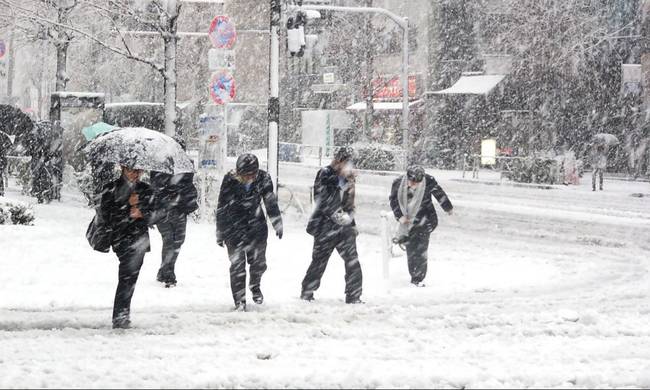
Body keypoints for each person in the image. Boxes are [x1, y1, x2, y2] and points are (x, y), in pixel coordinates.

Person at [216, 153, 283, 311]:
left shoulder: (263, 178)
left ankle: (255, 284)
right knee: (237, 266)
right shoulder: (230, 179)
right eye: (243, 175)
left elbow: (270, 202)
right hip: (234, 228)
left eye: (250, 175)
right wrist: (220, 231)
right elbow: (222, 206)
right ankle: (240, 300)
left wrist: (277, 223)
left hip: (256, 227)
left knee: (259, 263)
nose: (247, 178)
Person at [300, 147, 364, 304]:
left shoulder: (349, 179)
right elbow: (321, 198)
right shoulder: (325, 174)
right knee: (319, 261)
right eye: (348, 164)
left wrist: (351, 221)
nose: (351, 168)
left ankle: (354, 295)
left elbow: (349, 203)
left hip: (345, 228)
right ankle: (307, 292)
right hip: (325, 227)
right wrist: (336, 215)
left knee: (352, 261)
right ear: (339, 162)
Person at [99, 165, 155, 329]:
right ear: (123, 169)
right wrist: (127, 207)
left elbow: (156, 213)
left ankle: (122, 313)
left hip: (139, 240)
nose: (135, 174)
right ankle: (120, 315)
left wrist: (142, 211)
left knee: (130, 278)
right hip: (121, 238)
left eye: (138, 171)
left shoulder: (146, 189)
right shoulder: (111, 188)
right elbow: (106, 215)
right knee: (127, 276)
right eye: (131, 170)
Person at [389, 165, 453, 287]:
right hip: (408, 222)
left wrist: (448, 207)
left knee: (421, 250)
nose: (415, 185)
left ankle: (418, 278)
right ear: (407, 177)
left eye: (418, 182)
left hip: (425, 219)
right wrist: (400, 216)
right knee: (411, 250)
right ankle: (414, 275)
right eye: (412, 182)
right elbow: (393, 200)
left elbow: (439, 193)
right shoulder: (398, 183)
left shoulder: (428, 180)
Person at [150, 170, 198, 287]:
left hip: (180, 210)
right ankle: (168, 274)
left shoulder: (185, 168)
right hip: (163, 210)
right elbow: (155, 188)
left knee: (178, 241)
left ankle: (164, 270)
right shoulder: (159, 166)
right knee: (169, 240)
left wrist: (181, 195)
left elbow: (190, 188)